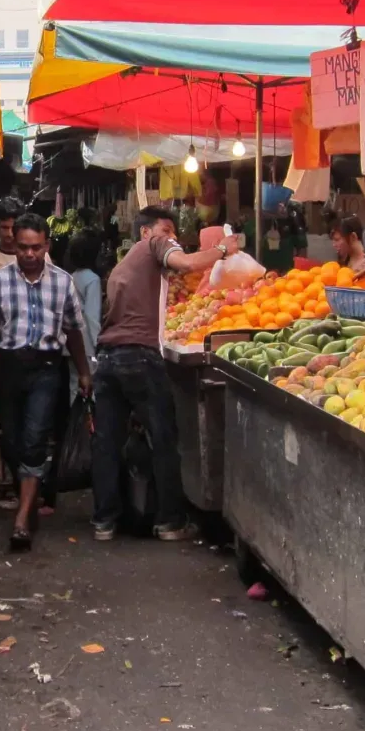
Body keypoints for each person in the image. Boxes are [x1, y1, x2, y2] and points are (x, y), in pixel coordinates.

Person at [91, 206, 242, 542]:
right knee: (163, 438)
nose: (173, 237)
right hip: (139, 357)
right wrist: (222, 249)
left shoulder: (125, 263)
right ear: (147, 231)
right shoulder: (154, 245)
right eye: (167, 229)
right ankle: (170, 521)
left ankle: (104, 522)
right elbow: (187, 263)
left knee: (107, 443)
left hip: (109, 358)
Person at [0, 214, 91, 551]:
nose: (30, 254)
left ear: (47, 246)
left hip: (47, 367)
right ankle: (30, 496)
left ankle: (22, 518)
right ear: (14, 247)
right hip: (8, 365)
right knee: (12, 441)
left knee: (36, 437)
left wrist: (83, 371)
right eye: (23, 247)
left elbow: (73, 330)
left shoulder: (63, 282)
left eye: (36, 247)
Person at [67, 229, 103, 360]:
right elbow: (92, 316)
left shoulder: (72, 277)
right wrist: (97, 344)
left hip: (70, 344)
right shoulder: (93, 279)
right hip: (86, 344)